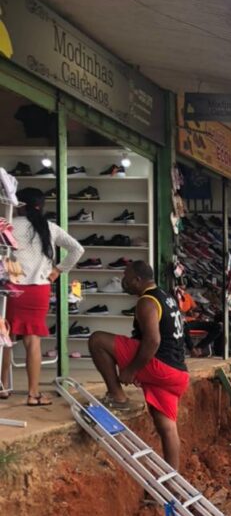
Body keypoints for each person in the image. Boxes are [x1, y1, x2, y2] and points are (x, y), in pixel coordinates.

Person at [88, 261, 189, 469]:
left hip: (160, 366)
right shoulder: (167, 297)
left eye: (126, 277)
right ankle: (174, 484)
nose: (123, 281)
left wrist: (131, 370)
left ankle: (117, 396)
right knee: (167, 427)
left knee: (97, 340)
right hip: (178, 373)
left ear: (137, 280)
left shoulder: (147, 301)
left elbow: (153, 341)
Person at [0, 187, 84, 405]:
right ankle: (33, 393)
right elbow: (77, 249)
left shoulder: (6, 225)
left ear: (19, 205)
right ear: (40, 206)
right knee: (33, 341)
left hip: (11, 289)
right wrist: (58, 270)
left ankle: (2, 388)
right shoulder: (50, 228)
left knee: (5, 338)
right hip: (38, 290)